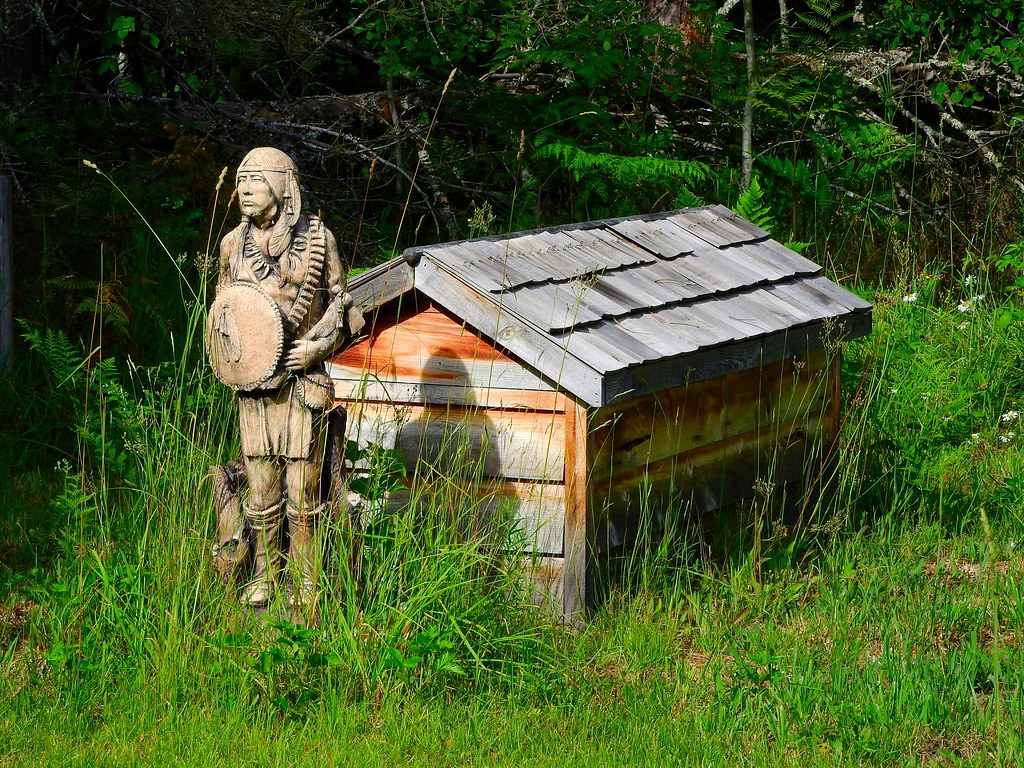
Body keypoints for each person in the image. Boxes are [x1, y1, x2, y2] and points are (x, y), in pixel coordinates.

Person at [211, 147, 362, 609]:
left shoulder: (319, 240)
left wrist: (316, 348)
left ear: (283, 186)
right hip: (254, 390)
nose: (245, 190)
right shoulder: (232, 246)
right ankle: (264, 575)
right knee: (260, 492)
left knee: (303, 493)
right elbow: (222, 318)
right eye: (241, 180)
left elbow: (347, 311)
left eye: (256, 180)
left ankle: (307, 579)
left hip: (303, 387)